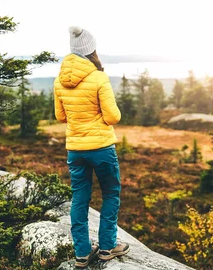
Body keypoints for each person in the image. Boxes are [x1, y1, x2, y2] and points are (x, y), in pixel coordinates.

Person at [54, 26, 129, 268]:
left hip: (75, 149)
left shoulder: (59, 80)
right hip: (102, 148)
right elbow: (113, 117)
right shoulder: (99, 77)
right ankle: (107, 247)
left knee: (79, 198)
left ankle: (83, 253)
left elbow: (60, 116)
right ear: (91, 50)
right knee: (110, 193)